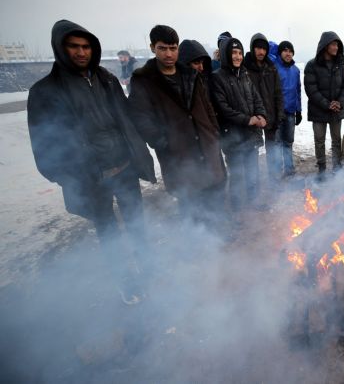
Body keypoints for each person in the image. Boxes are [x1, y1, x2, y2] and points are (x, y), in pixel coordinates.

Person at [27, 20, 156, 304]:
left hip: (124, 167)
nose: (81, 52)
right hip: (91, 177)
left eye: (86, 46)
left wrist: (138, 153)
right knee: (107, 231)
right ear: (61, 48)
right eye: (73, 46)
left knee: (136, 222)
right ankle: (126, 281)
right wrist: (67, 176)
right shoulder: (45, 91)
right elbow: (43, 143)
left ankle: (149, 268)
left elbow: (126, 120)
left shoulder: (107, 80)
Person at [128, 25, 226, 223]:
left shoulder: (191, 75)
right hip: (179, 155)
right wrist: (164, 141)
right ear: (152, 47)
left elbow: (206, 107)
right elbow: (140, 118)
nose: (168, 53)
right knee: (191, 205)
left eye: (173, 48)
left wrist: (214, 132)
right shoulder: (144, 80)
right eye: (162, 48)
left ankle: (218, 238)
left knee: (215, 199)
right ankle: (196, 246)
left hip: (207, 147)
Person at [210, 38, 267, 214]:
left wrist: (261, 115)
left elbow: (256, 98)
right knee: (237, 175)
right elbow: (223, 108)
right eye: (234, 53)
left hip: (251, 135)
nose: (237, 56)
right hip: (232, 136)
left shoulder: (245, 75)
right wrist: (247, 120)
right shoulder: (217, 77)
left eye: (240, 53)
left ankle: (254, 201)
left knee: (252, 172)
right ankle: (237, 208)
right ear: (227, 54)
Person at [304, 31, 344, 175]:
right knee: (319, 141)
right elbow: (311, 89)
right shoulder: (312, 65)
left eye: (337, 44)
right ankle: (322, 169)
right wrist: (327, 104)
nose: (336, 47)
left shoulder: (341, 64)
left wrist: (340, 102)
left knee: (336, 141)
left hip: (336, 110)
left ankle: (337, 168)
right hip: (318, 110)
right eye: (333, 44)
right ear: (325, 46)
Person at [245, 33, 285, 185]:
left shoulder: (271, 67)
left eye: (264, 48)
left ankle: (273, 179)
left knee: (272, 149)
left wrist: (279, 113)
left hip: (270, 114)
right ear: (252, 48)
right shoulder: (245, 67)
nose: (261, 52)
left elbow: (278, 93)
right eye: (258, 48)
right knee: (252, 150)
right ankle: (253, 184)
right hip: (253, 116)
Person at [273, 40, 302, 177]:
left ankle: (289, 170)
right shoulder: (274, 68)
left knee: (288, 142)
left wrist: (299, 110)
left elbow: (298, 91)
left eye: (290, 51)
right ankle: (277, 171)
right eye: (285, 50)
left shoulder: (296, 70)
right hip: (277, 112)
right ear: (280, 53)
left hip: (291, 112)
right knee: (277, 143)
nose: (288, 53)